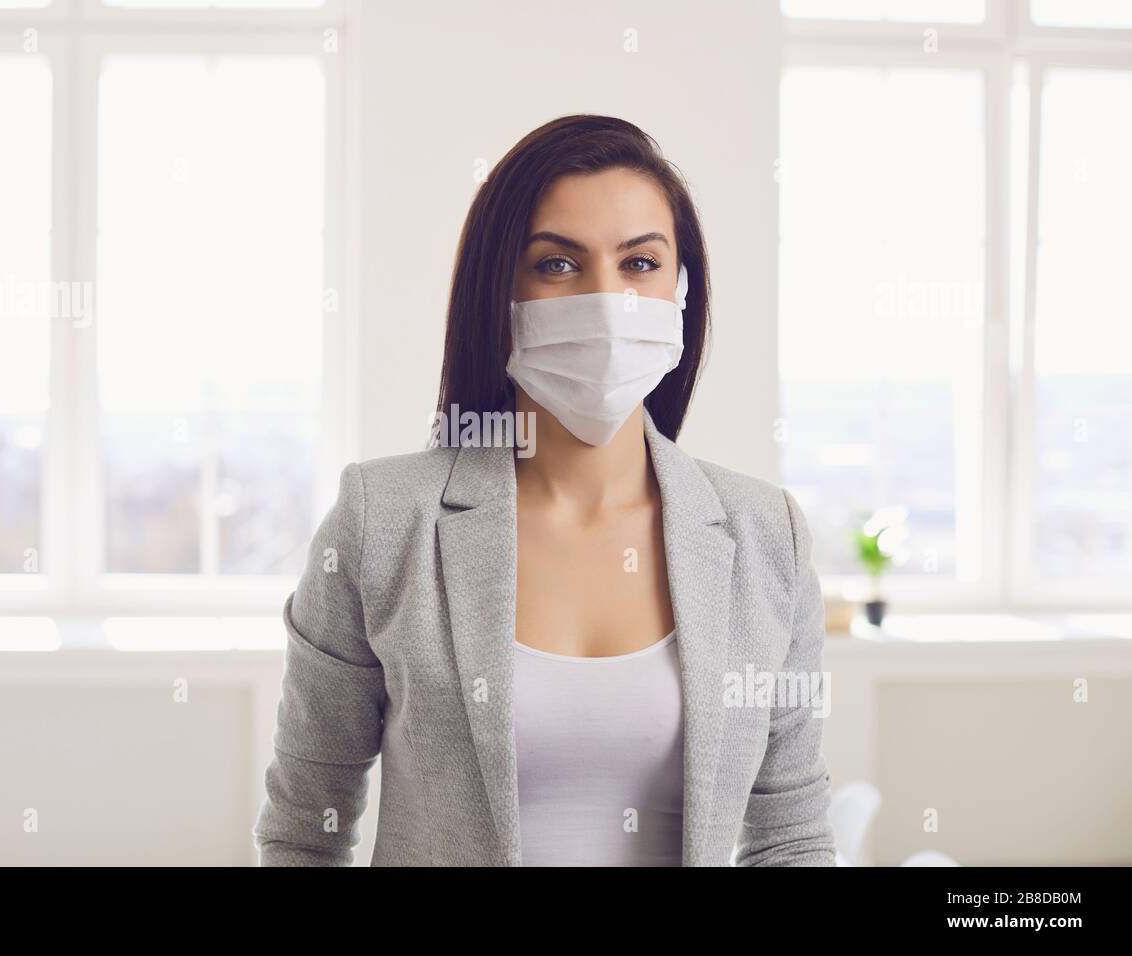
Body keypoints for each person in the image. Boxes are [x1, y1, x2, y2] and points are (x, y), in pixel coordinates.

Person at [253, 114, 836, 866]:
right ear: (501, 292)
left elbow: (790, 836)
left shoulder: (766, 536)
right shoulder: (382, 523)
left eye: (640, 265)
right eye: (558, 265)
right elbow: (305, 831)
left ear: (681, 291)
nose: (607, 300)